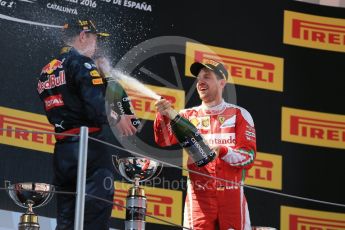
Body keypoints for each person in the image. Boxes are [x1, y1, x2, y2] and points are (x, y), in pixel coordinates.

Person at [37, 19, 137, 229]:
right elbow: (96, 108)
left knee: (66, 220)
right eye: (95, 39)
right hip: (89, 148)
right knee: (94, 217)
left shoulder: (48, 69)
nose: (97, 46)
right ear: (83, 36)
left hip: (63, 151)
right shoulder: (82, 63)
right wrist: (118, 118)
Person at [153, 59, 256, 230]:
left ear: (222, 83)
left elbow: (248, 158)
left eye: (207, 77)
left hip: (232, 195)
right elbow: (163, 140)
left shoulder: (239, 114)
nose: (200, 82)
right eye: (199, 78)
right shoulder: (185, 115)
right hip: (198, 196)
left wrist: (222, 151)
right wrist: (163, 115)